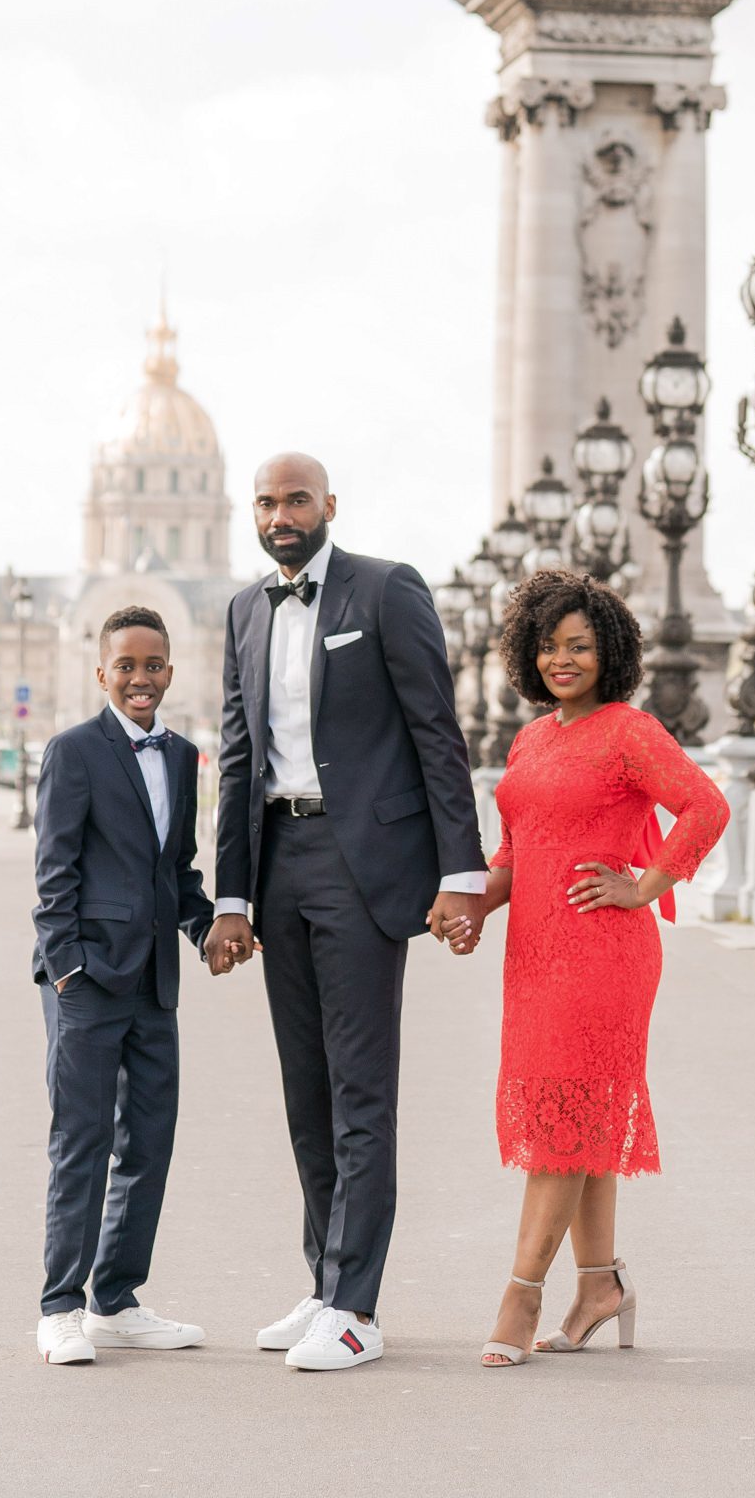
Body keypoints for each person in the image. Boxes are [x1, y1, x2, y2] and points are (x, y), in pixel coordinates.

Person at [205, 452, 484, 1372]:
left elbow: (436, 735)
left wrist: (461, 875)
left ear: (328, 505)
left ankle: (357, 1307)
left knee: (362, 1091)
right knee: (306, 1094)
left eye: (295, 499)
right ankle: (324, 1284)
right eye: (265, 502)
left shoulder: (384, 590)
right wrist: (231, 897)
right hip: (278, 864)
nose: (279, 514)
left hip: (362, 865)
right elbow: (239, 760)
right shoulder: (246, 610)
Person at [440, 567, 729, 1368]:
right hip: (532, 953)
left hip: (603, 953)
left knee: (561, 1123)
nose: (561, 660)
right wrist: (473, 905)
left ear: (610, 652)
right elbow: (514, 852)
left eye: (578, 646)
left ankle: (520, 1293)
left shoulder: (630, 733)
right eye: (547, 646)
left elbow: (705, 805)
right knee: (580, 1120)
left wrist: (644, 886)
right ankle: (599, 1284)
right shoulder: (530, 738)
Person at [30, 606, 215, 1365]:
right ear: (102, 673)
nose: (140, 678)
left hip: (153, 982)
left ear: (170, 672)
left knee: (150, 1140)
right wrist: (67, 965)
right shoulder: (72, 751)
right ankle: (59, 1306)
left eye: (153, 665)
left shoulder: (181, 756)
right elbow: (53, 871)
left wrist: (208, 928)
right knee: (82, 1139)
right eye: (126, 666)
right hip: (87, 979)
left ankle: (116, 1298)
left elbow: (176, 871)